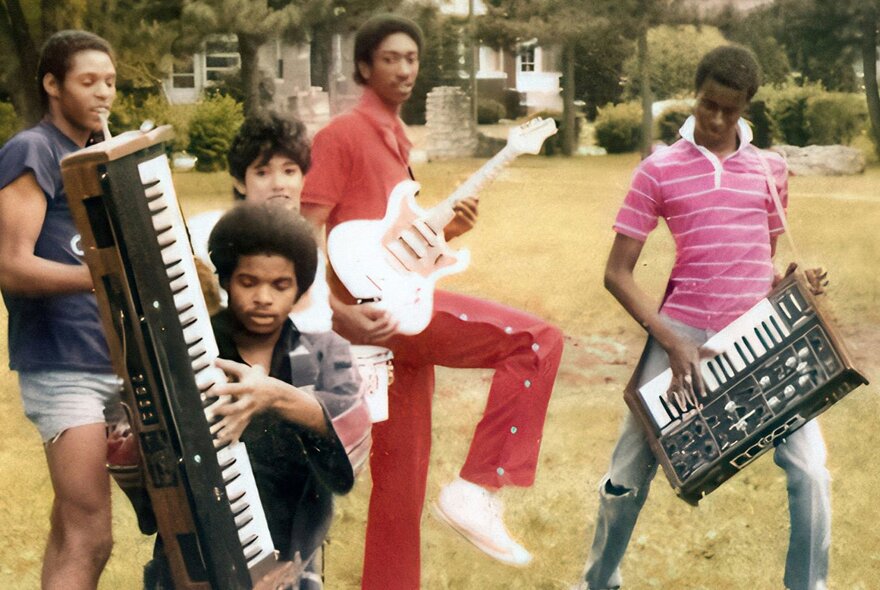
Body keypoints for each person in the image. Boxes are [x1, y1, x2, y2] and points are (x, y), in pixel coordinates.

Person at [299, 14, 565, 589]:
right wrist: (338, 313)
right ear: (365, 67)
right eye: (390, 58)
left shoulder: (396, 140)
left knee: (401, 487)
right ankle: (477, 487)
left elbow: (384, 243)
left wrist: (447, 235)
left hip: (400, 311)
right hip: (376, 318)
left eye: (412, 59)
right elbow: (304, 234)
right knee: (537, 341)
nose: (403, 69)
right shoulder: (342, 135)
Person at [573, 45, 831, 590]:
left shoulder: (770, 169)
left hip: (761, 334)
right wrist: (670, 340)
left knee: (810, 471)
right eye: (708, 104)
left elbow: (759, 264)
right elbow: (617, 273)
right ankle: (598, 582)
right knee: (625, 477)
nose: (716, 120)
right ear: (696, 93)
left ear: (746, 107)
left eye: (730, 111)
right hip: (682, 333)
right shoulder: (657, 170)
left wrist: (793, 286)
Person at [144, 202, 370, 589]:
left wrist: (274, 396)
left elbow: (354, 438)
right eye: (248, 282)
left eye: (280, 285)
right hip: (197, 553)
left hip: (289, 554)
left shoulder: (323, 352)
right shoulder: (190, 350)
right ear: (227, 281)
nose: (264, 297)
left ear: (299, 288)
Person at [0, 30, 124, 589]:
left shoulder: (95, 156)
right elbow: (10, 265)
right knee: (91, 535)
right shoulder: (34, 149)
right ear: (52, 85)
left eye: (110, 82)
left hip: (113, 359)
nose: (103, 94)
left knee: (68, 527)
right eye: (88, 81)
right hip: (63, 366)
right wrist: (104, 278)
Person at [186, 110, 331, 333]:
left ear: (303, 180)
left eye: (289, 171)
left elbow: (318, 326)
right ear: (240, 182)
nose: (279, 184)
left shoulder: (311, 254)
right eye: (262, 173)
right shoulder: (201, 233)